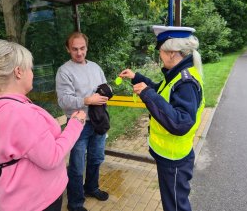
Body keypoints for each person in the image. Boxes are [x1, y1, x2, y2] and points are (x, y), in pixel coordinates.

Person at [0, 39, 86, 211]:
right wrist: (75, 123)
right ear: (18, 72)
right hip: (38, 202)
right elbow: (51, 157)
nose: (33, 73)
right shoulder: (18, 114)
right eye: (30, 68)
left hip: (11, 199)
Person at [119, 25, 205, 211]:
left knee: (175, 206)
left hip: (174, 160)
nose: (160, 56)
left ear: (172, 53)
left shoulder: (186, 82)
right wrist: (136, 77)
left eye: (160, 52)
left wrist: (147, 94)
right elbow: (161, 92)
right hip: (170, 156)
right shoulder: (176, 75)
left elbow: (181, 122)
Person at [56, 32, 109, 211]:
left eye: (82, 48)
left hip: (98, 121)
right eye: (75, 49)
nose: (79, 53)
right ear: (67, 49)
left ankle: (92, 188)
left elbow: (104, 87)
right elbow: (64, 100)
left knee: (96, 159)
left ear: (87, 47)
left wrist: (105, 95)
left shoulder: (95, 67)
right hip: (77, 125)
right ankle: (75, 202)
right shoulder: (65, 71)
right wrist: (87, 100)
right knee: (77, 166)